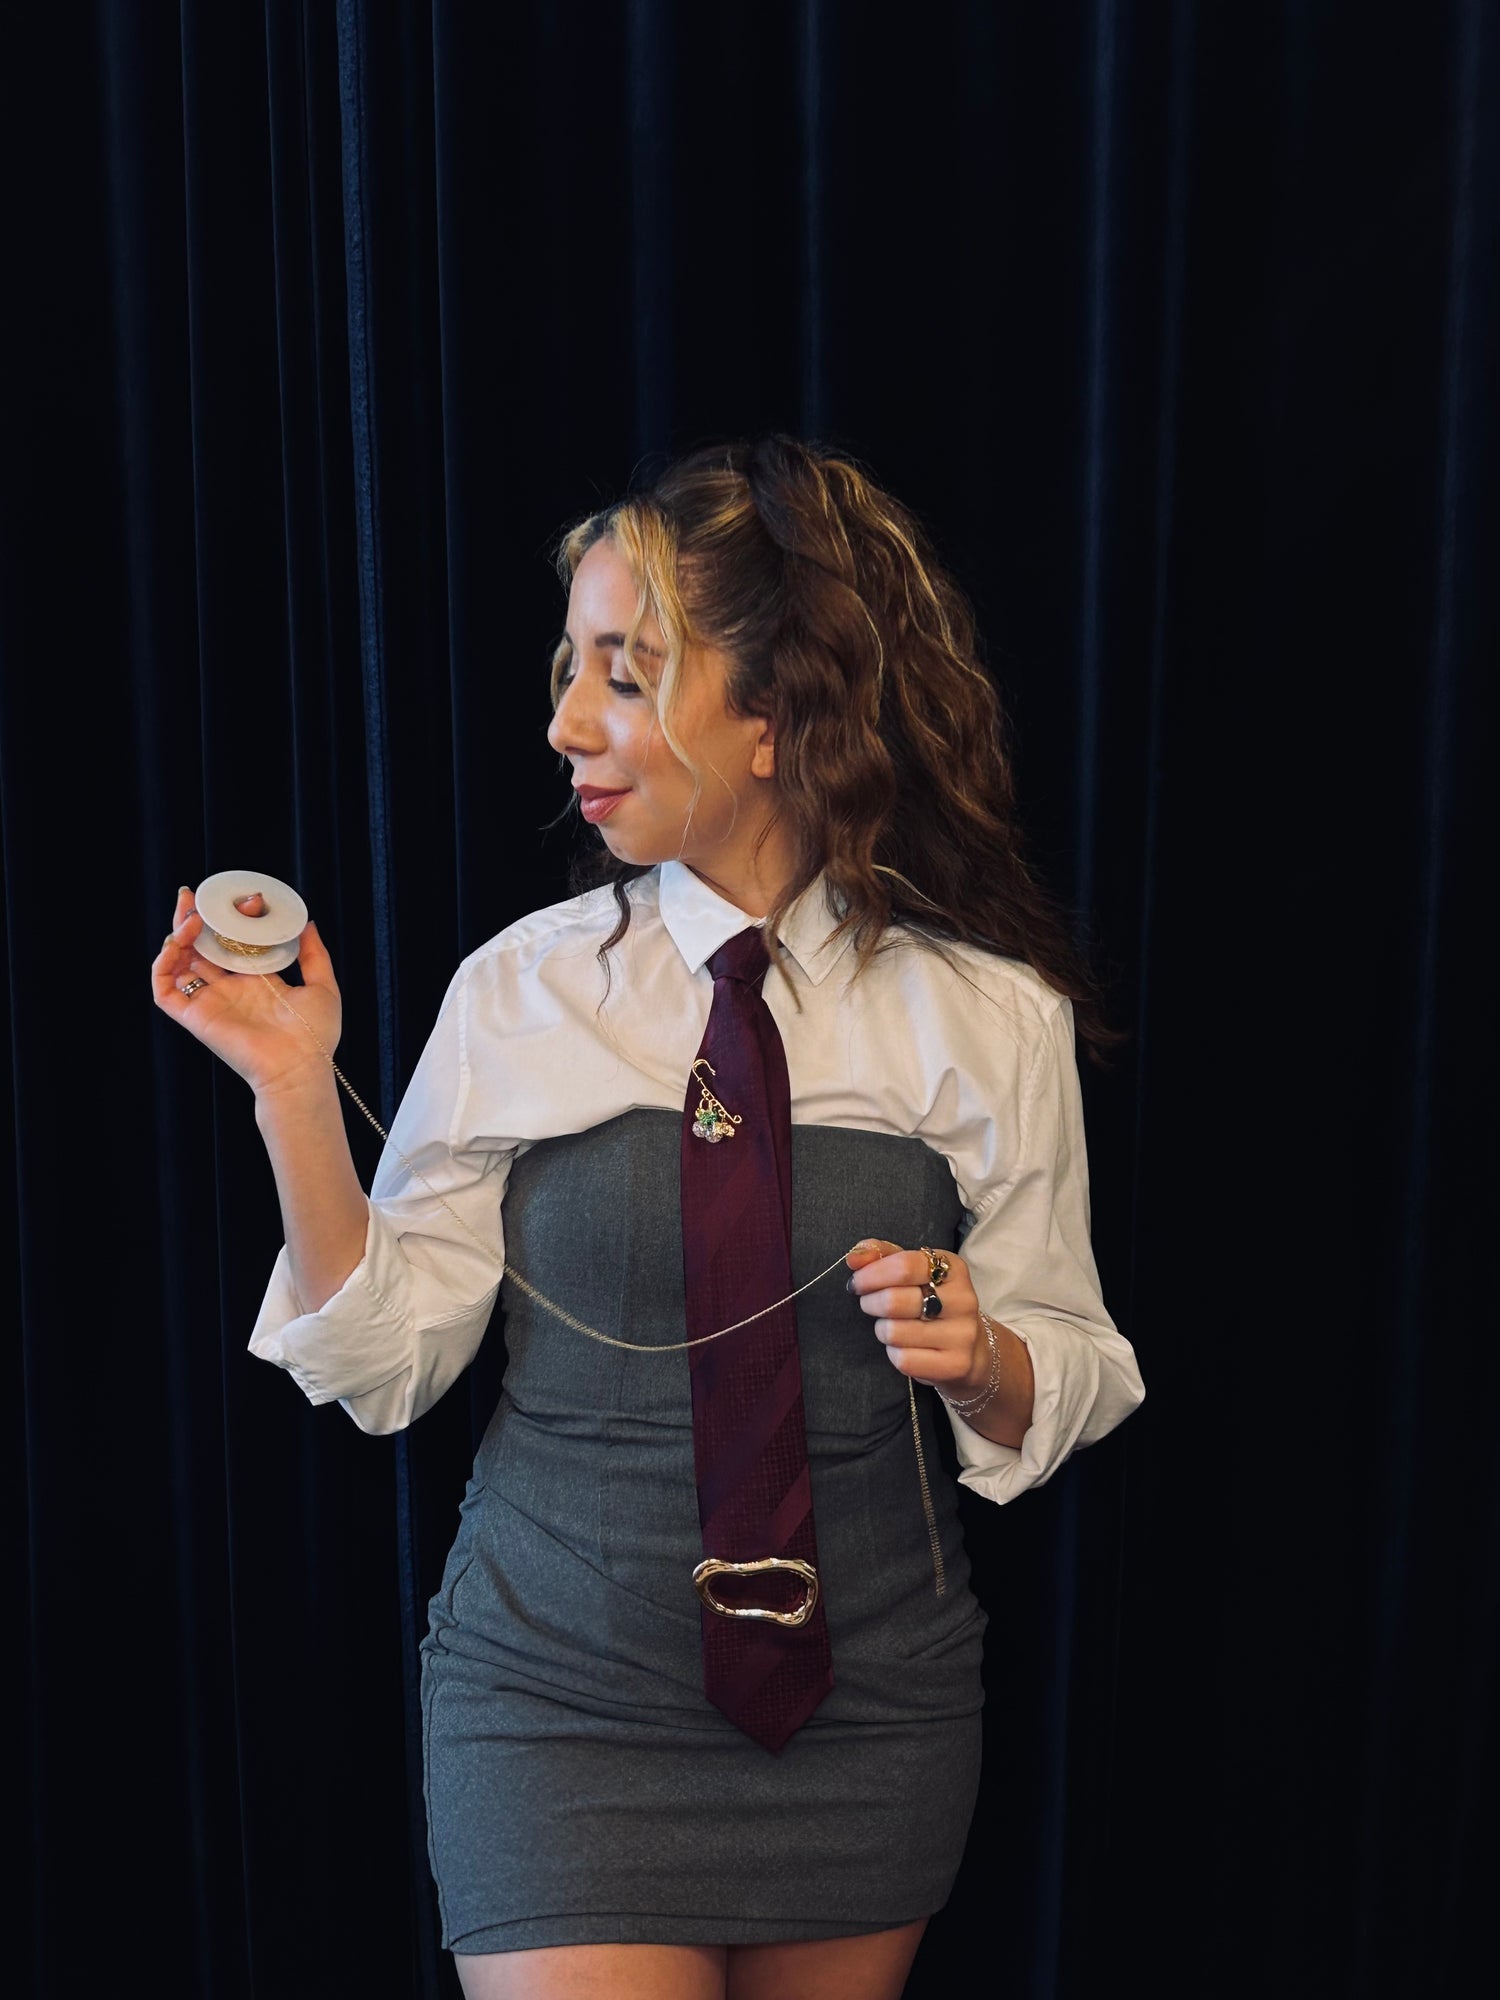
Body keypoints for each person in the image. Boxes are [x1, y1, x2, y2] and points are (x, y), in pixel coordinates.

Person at [151, 435, 1145, 2000]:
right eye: (573, 669)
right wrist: (291, 1087)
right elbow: (388, 1364)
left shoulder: (985, 1017)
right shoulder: (520, 989)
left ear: (776, 714)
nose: (566, 722)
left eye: (626, 674)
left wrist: (986, 1358)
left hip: (871, 1708)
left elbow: (1073, 1358)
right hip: (556, 1699)